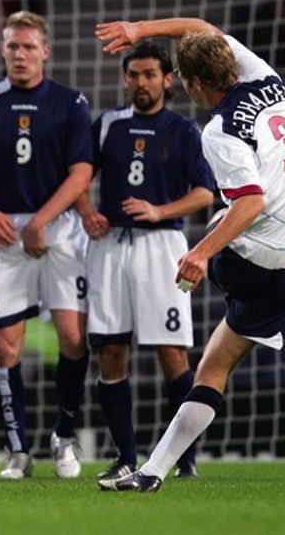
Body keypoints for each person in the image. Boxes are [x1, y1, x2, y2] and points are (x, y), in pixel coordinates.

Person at [94, 18, 285, 493]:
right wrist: (141, 30)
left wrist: (200, 253)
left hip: (251, 265)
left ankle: (151, 471)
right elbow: (201, 27)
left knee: (223, 222)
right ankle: (153, 472)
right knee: (212, 368)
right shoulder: (266, 78)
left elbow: (252, 201)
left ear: (194, 83)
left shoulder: (218, 132)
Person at [0, 10, 93, 479]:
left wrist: (43, 220)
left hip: (59, 228)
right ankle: (18, 451)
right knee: (6, 348)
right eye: (12, 46)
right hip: (1, 234)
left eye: (28, 46)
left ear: (45, 52)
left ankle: (65, 435)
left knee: (74, 338)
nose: (20, 54)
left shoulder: (71, 103)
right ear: (3, 50)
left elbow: (81, 172)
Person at [75, 42, 215, 482]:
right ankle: (125, 456)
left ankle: (182, 457)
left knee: (172, 353)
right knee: (111, 351)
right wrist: (86, 211)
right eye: (133, 75)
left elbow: (205, 193)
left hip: (162, 248)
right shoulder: (108, 125)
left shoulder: (184, 129)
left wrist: (160, 210)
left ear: (168, 80)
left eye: (150, 75)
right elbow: (78, 176)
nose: (141, 82)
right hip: (111, 246)